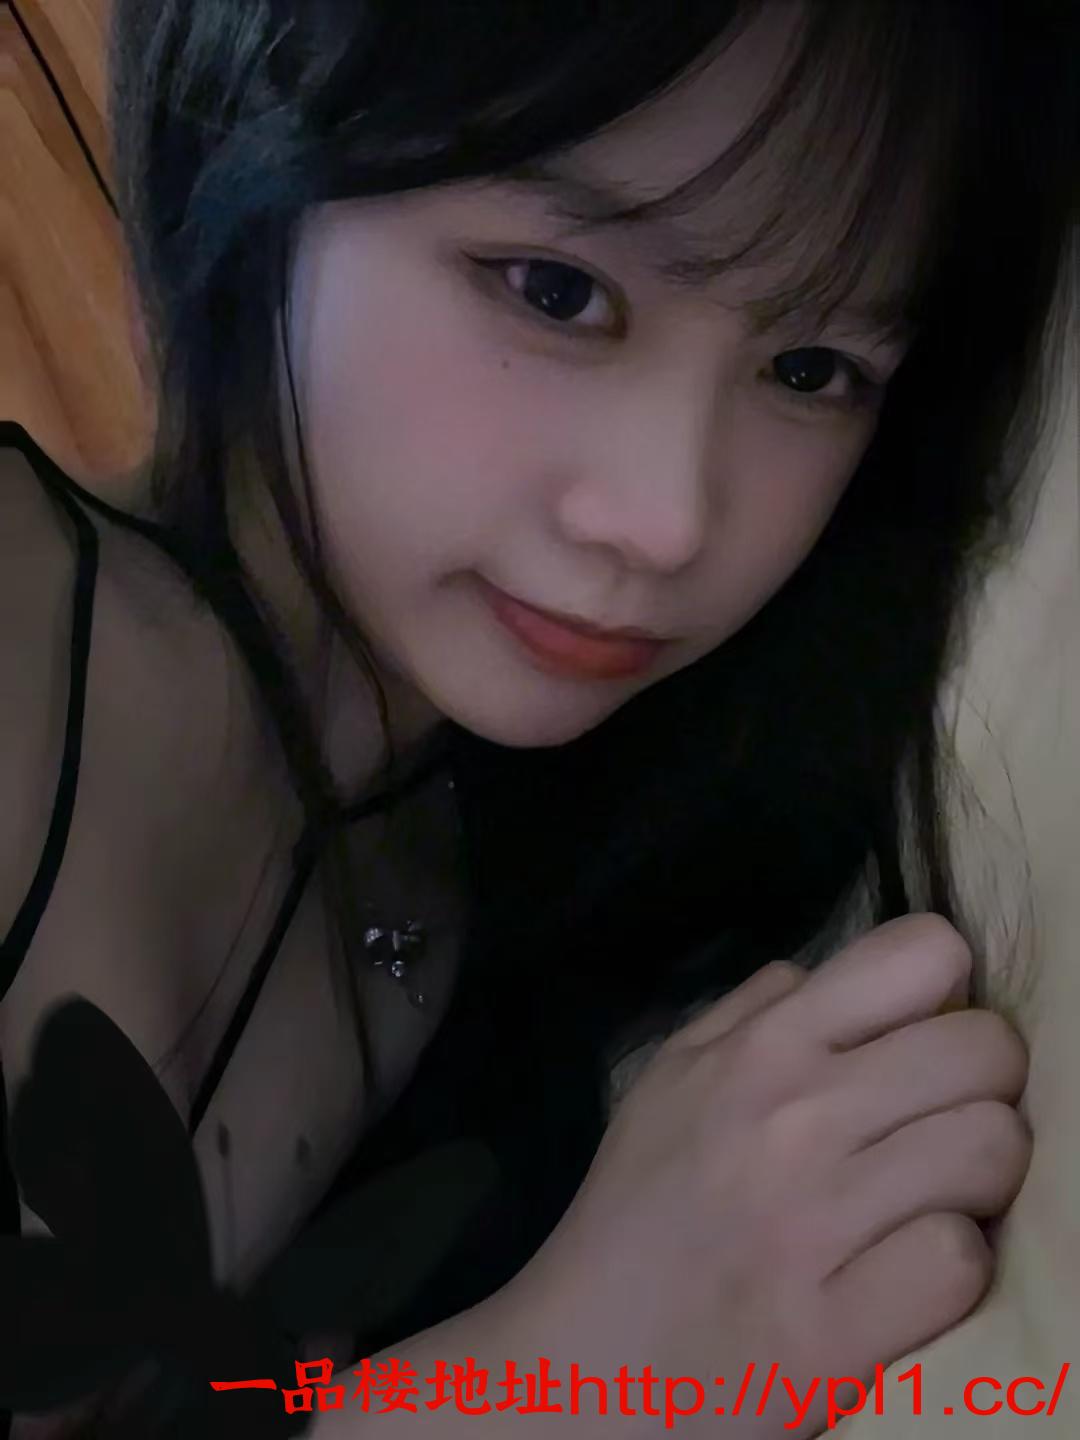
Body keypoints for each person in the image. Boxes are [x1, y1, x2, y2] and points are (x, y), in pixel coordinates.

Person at [0, 0, 1076, 1435]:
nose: (670, 518)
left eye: (812, 371)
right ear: (252, 134)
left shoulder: (582, 864)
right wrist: (552, 1364)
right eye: (556, 291)